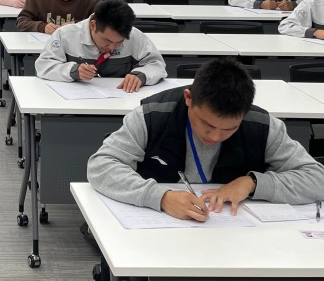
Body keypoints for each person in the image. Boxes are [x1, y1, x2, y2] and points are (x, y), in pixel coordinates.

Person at [87, 59, 324, 221]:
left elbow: (317, 179)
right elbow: (101, 166)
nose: (215, 136)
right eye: (207, 125)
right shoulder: (152, 117)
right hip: (160, 229)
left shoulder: (262, 125)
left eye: (229, 129)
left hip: (236, 236)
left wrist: (252, 183)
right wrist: (160, 197)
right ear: (188, 98)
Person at [35, 0, 167, 92]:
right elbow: (43, 65)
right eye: (107, 41)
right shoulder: (65, 35)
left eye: (119, 42)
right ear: (93, 25)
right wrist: (72, 71)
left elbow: (156, 64)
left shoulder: (134, 36)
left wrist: (141, 75)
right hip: (75, 103)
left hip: (122, 101)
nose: (112, 48)